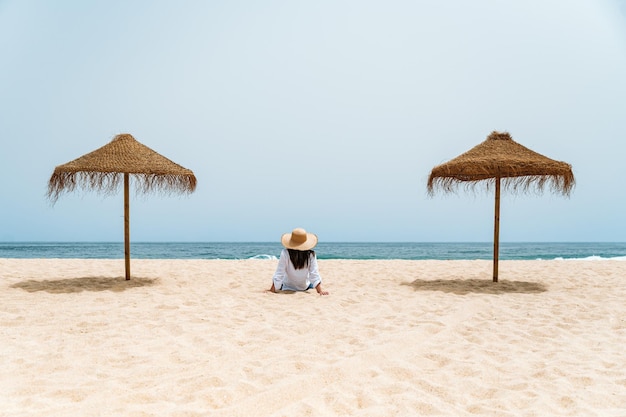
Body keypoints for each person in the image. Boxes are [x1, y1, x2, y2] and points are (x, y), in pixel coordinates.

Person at [268, 228, 329, 295]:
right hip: (304, 287)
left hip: (287, 286)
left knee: (281, 280)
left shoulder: (285, 253)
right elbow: (314, 273)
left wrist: (272, 290)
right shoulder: (311, 254)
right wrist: (320, 291)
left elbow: (279, 273)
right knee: (310, 283)